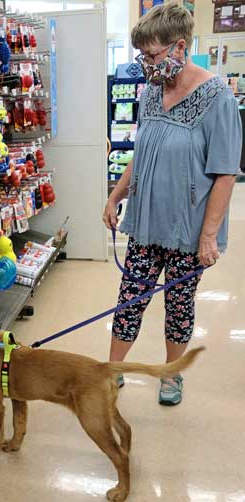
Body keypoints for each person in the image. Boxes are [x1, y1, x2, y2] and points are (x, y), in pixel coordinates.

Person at [103, 3, 242, 405]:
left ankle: (170, 376)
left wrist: (209, 236)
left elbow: (225, 172)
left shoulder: (217, 99)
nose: (145, 64)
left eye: (152, 55)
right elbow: (142, 151)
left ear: (180, 47)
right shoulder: (150, 92)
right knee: (130, 298)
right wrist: (116, 194)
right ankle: (113, 371)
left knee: (178, 306)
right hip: (146, 225)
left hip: (189, 231)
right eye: (141, 56)